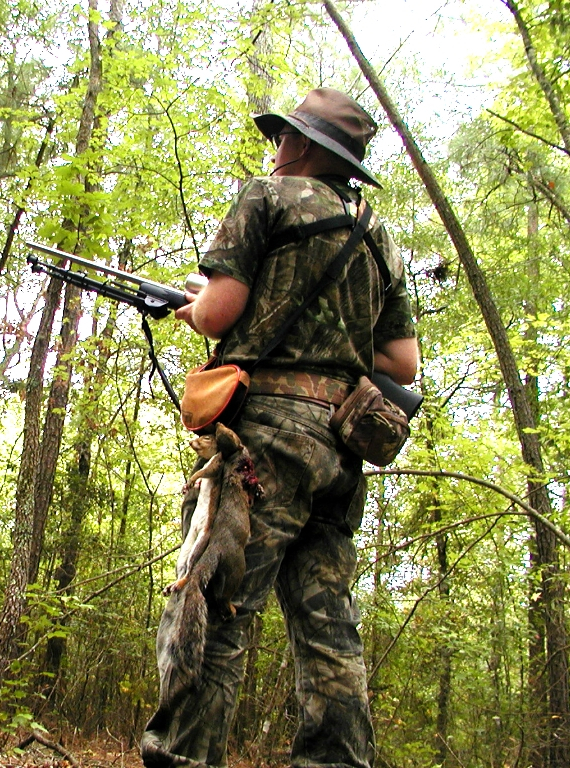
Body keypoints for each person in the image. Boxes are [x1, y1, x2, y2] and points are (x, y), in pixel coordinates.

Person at [140, 88, 418, 768]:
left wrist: (199, 307)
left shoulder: (264, 196)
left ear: (301, 146)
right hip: (340, 454)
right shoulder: (376, 232)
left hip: (263, 443)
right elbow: (403, 361)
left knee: (218, 607)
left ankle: (182, 758)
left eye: (283, 137)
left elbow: (217, 313)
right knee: (329, 632)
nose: (275, 147)